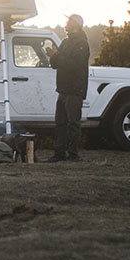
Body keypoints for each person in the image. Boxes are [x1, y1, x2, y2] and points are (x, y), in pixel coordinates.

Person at [45, 13, 90, 161]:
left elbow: (73, 65)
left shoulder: (82, 43)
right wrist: (52, 56)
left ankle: (73, 154)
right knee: (61, 123)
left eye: (69, 21)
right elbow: (56, 64)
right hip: (63, 89)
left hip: (74, 89)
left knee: (73, 124)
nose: (66, 23)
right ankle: (59, 154)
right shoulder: (65, 42)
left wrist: (56, 56)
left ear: (76, 24)